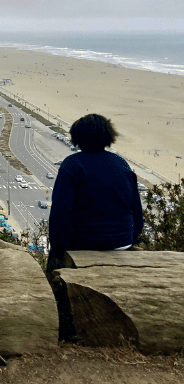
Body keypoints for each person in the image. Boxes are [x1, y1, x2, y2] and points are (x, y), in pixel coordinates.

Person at [46, 113, 143, 274]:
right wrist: (133, 238)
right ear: (109, 136)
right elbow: (136, 209)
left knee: (53, 272)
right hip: (122, 242)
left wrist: (59, 249)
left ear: (77, 138)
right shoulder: (121, 163)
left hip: (84, 243)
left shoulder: (72, 165)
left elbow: (60, 210)